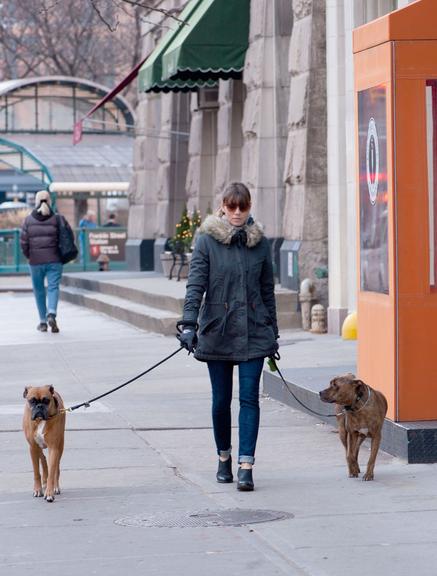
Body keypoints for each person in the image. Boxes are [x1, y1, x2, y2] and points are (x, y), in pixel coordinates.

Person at [177, 182, 279, 491]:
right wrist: (189, 324)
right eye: (231, 207)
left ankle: (246, 464)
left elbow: (267, 290)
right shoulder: (207, 240)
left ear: (249, 207)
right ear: (223, 206)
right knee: (221, 401)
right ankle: (224, 457)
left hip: (253, 331)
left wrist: (272, 331)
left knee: (249, 399)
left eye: (242, 207)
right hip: (218, 331)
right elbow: (196, 285)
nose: (237, 212)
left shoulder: (260, 243)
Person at [20, 190, 72, 333]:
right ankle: (51, 313)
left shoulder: (28, 220)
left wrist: (30, 256)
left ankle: (42, 322)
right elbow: (69, 237)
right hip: (54, 260)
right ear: (50, 201)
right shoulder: (57, 219)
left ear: (36, 202)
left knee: (38, 290)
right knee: (53, 287)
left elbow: (23, 243)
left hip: (35, 261)